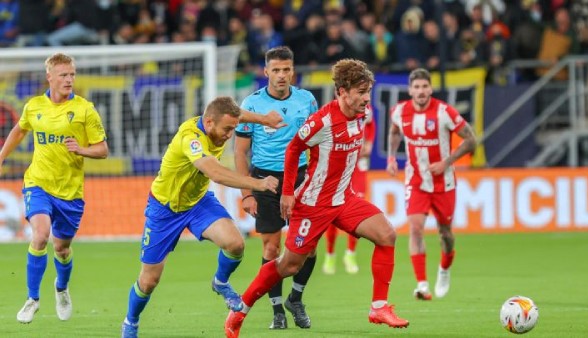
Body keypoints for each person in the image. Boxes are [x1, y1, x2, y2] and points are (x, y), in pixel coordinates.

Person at [225, 59, 410, 338]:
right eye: (360, 92)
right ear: (342, 92)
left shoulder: (362, 113)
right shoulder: (322, 121)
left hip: (344, 199)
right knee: (289, 265)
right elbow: (293, 150)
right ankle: (240, 309)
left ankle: (379, 307)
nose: (366, 98)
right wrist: (288, 192)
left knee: (386, 234)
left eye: (368, 91)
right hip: (313, 203)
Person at [120, 96, 281, 338]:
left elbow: (238, 114)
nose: (230, 135)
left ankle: (220, 283)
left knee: (236, 244)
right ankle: (130, 322)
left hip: (197, 203)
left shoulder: (221, 120)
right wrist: (256, 184)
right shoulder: (191, 139)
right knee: (149, 281)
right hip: (164, 210)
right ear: (208, 122)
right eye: (227, 129)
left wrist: (264, 119)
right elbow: (214, 173)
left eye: (233, 129)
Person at [0, 53, 109, 323]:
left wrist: (81, 149)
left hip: (70, 193)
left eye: (72, 74)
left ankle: (61, 288)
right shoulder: (34, 106)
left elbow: (103, 150)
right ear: (49, 76)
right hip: (38, 183)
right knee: (39, 235)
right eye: (63, 75)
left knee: (61, 248)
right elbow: (19, 130)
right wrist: (1, 157)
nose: (69, 79)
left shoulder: (85, 109)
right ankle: (32, 299)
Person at [234, 46, 319, 330]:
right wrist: (246, 193)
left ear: (293, 71)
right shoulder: (252, 104)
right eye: (276, 70)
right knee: (272, 247)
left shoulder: (307, 100)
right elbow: (239, 152)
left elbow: (317, 143)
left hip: (301, 179)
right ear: (266, 71)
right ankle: (276, 312)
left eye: (286, 70)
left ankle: (296, 297)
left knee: (308, 246)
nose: (282, 75)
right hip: (266, 180)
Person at [386, 68, 476, 300]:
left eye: (425, 86)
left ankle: (444, 269)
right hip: (416, 180)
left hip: (443, 183)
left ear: (431, 88)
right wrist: (391, 157)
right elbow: (395, 132)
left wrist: (447, 162)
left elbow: (471, 139)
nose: (421, 91)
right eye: (416, 87)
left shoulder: (444, 112)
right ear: (410, 90)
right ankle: (422, 284)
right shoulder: (399, 111)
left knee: (445, 233)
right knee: (415, 228)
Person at [322, 104, 376, 275]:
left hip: (359, 165)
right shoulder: (335, 109)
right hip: (340, 166)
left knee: (357, 209)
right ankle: (330, 255)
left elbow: (371, 125)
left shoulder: (365, 107)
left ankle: (350, 254)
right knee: (333, 211)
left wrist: (369, 143)